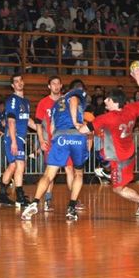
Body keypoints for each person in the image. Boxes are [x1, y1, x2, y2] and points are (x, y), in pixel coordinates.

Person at [84, 67, 139, 217]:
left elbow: (84, 130)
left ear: (115, 103)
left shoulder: (107, 118)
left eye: (108, 99)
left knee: (118, 189)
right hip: (125, 152)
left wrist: (75, 123)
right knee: (101, 152)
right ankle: (108, 171)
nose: (105, 100)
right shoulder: (130, 109)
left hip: (120, 159)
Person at [22, 80, 89, 221]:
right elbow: (74, 101)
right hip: (76, 135)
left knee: (48, 174)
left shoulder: (56, 104)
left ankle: (35, 202)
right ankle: (71, 207)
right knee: (78, 173)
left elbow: (51, 127)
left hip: (59, 138)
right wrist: (75, 122)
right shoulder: (75, 95)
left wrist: (55, 141)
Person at [34, 75, 75, 212]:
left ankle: (74, 200)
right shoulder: (43, 102)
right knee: (50, 173)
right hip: (51, 142)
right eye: (53, 83)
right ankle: (47, 200)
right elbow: (38, 123)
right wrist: (41, 140)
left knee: (70, 169)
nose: (56, 86)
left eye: (58, 83)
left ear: (61, 86)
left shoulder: (67, 101)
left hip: (66, 141)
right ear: (49, 86)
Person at [0, 74, 35, 207]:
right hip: (14, 136)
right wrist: (13, 141)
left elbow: (27, 120)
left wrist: (41, 129)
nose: (19, 83)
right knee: (20, 165)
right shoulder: (12, 100)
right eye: (16, 81)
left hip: (19, 138)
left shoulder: (26, 101)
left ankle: (1, 194)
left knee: (13, 166)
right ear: (12, 85)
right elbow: (11, 122)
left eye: (21, 80)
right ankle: (20, 196)